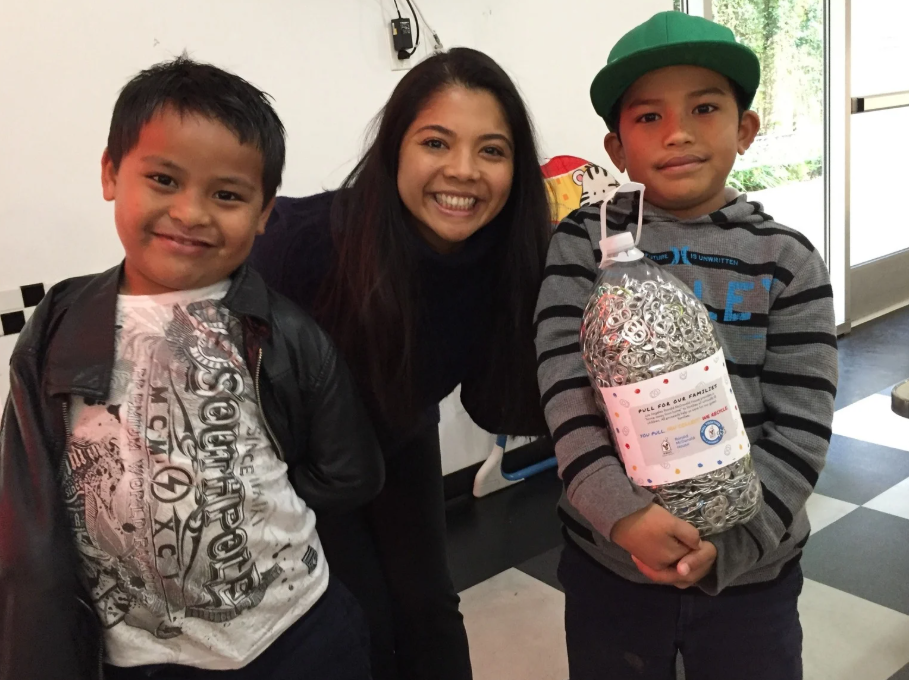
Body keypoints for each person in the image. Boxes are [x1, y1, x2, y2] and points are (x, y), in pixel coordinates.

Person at [0, 57, 385, 680]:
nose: (191, 212)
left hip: (296, 634)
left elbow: (349, 472)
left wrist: (244, 505)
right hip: (144, 657)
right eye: (163, 179)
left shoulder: (287, 332)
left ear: (264, 211)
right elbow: (28, 501)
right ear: (111, 172)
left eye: (227, 194)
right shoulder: (59, 326)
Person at [535, 12, 837, 680]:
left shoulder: (785, 260)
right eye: (648, 117)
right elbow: (565, 390)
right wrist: (622, 516)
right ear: (616, 147)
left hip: (750, 576)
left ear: (744, 128)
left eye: (704, 108)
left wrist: (734, 546)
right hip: (609, 565)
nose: (677, 132)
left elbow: (802, 423)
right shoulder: (582, 245)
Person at [249, 48, 551, 680]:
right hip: (295, 463)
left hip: (399, 425)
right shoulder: (302, 241)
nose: (463, 170)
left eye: (492, 150)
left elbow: (500, 404)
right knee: (360, 618)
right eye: (436, 143)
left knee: (429, 605)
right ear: (395, 150)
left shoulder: (509, 255)